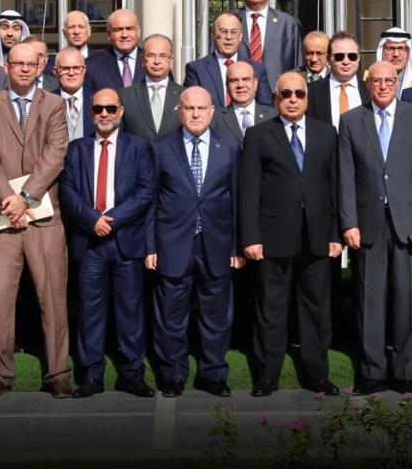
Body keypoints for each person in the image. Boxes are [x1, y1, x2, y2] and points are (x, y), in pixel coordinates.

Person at [0, 42, 72, 398]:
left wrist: (26, 198)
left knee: (53, 299)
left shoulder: (55, 105)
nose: (25, 69)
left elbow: (55, 154)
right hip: (4, 219)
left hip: (44, 217)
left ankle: (58, 374)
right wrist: (9, 202)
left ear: (41, 67)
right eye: (18, 63)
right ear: (7, 67)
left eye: (31, 64)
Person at [240, 71, 343, 395]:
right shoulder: (258, 135)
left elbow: (335, 187)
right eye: (286, 94)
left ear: (307, 99)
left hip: (317, 235)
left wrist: (336, 233)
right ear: (276, 99)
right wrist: (250, 237)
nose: (293, 99)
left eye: (299, 94)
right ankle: (267, 375)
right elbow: (248, 190)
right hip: (272, 236)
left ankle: (317, 375)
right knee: (271, 308)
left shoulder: (327, 133)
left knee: (316, 308)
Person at [338, 61, 412, 395]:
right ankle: (372, 372)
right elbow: (345, 176)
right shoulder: (351, 120)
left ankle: (404, 373)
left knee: (407, 299)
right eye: (376, 81)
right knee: (370, 299)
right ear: (368, 84)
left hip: (408, 223)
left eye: (389, 81)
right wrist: (349, 222)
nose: (382, 86)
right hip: (369, 223)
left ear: (397, 83)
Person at [59, 88, 156, 398]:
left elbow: (146, 191)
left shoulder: (139, 148)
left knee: (130, 311)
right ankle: (91, 376)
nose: (104, 114)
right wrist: (92, 220)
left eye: (110, 108)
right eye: (98, 109)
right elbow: (67, 191)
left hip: (126, 241)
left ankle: (132, 374)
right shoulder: (76, 149)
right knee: (90, 312)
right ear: (91, 113)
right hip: (89, 243)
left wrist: (111, 219)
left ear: (121, 111)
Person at [147, 87, 243, 397]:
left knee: (216, 314)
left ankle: (213, 373)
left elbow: (237, 200)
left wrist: (236, 246)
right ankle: (172, 374)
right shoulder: (160, 148)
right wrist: (150, 246)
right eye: (189, 108)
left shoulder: (230, 147)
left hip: (216, 242)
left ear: (213, 111)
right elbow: (150, 202)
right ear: (180, 111)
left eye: (202, 108)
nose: (196, 113)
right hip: (172, 243)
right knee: (170, 314)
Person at [184, 13, 271, 110]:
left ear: (240, 36)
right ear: (213, 35)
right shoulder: (196, 70)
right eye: (223, 31)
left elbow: (266, 108)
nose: (229, 37)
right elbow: (191, 107)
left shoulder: (257, 69)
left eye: (233, 32)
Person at [237, 0, 301, 90]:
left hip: (277, 93)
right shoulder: (231, 21)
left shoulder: (288, 24)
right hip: (239, 92)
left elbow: (298, 66)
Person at [120, 34, 185, 141]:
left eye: (163, 56)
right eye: (150, 55)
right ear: (142, 60)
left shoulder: (184, 95)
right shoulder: (124, 96)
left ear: (171, 60)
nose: (157, 61)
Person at [308, 31, 369, 127]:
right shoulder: (310, 92)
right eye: (339, 56)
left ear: (359, 58)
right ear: (328, 59)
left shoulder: (370, 90)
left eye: (352, 56)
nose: (346, 61)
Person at [211, 61, 274, 146]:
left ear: (255, 84)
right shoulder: (215, 119)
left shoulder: (274, 116)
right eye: (234, 80)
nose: (240, 85)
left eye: (245, 79)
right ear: (227, 86)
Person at [85, 8, 146, 93]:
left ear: (138, 32)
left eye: (129, 28)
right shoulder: (92, 65)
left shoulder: (152, 60)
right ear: (109, 34)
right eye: (118, 30)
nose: (124, 35)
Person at [53, 47, 93, 141]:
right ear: (56, 71)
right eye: (65, 68)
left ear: (84, 70)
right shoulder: (45, 102)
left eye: (76, 68)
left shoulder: (96, 100)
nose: (71, 73)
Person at [45, 10, 94, 75]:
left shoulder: (102, 62)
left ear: (89, 31)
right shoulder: (50, 66)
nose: (76, 32)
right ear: (64, 33)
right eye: (71, 27)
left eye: (81, 27)